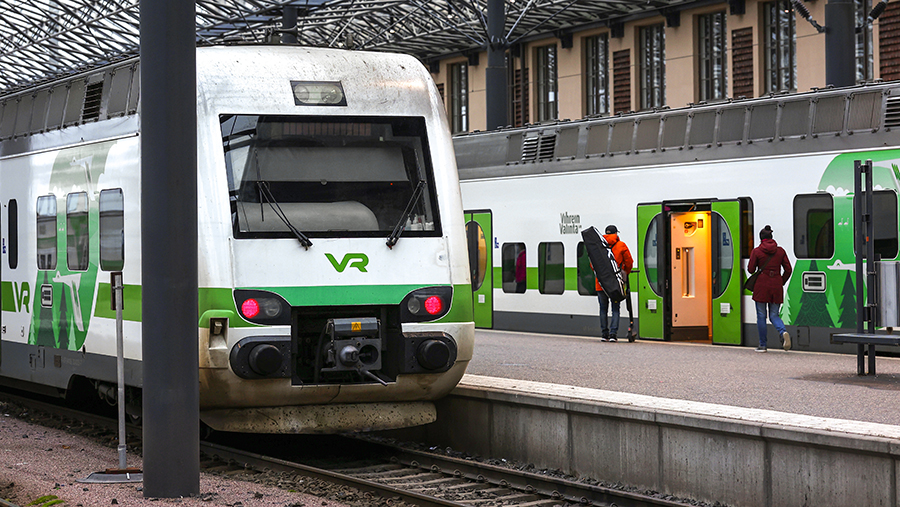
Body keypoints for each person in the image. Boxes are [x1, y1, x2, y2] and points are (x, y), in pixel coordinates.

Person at [748, 225, 793, 352]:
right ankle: (783, 332)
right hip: (776, 286)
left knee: (761, 316)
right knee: (774, 315)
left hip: (761, 286)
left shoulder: (757, 251)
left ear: (761, 238)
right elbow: (788, 269)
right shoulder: (780, 251)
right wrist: (781, 281)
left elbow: (751, 269)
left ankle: (762, 345)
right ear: (772, 237)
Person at [596, 225, 633, 342]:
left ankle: (604, 334)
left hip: (601, 284)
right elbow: (629, 262)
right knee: (615, 309)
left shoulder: (599, 246)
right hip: (616, 283)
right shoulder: (621, 245)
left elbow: (593, 264)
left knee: (603, 309)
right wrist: (625, 273)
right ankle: (613, 334)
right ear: (616, 233)